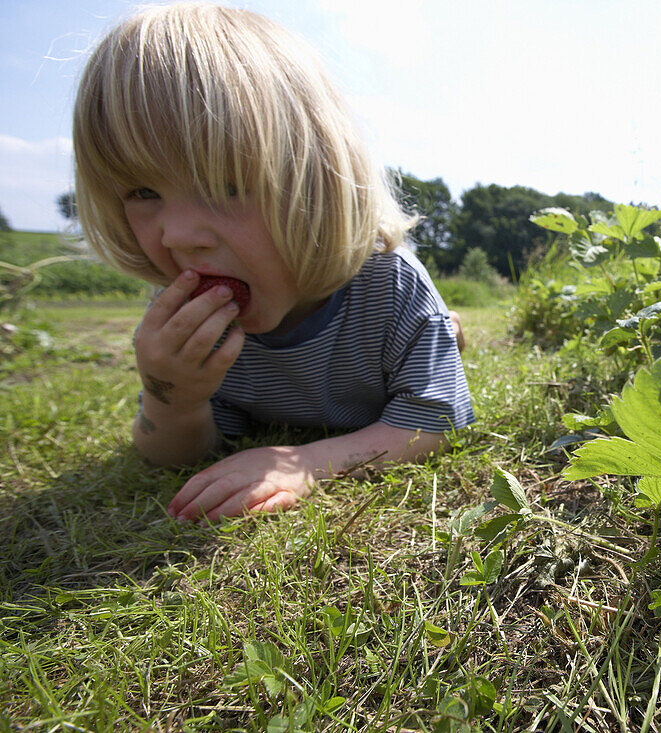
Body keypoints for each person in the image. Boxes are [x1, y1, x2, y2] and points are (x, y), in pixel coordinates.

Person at [72, 3, 474, 522]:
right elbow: (168, 456)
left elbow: (434, 425)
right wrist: (171, 398)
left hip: (389, 334)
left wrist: (305, 463)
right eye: (143, 191)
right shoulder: (191, 314)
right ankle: (436, 339)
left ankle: (439, 336)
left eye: (225, 185)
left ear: (320, 179)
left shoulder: (389, 283)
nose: (177, 236)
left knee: (425, 339)